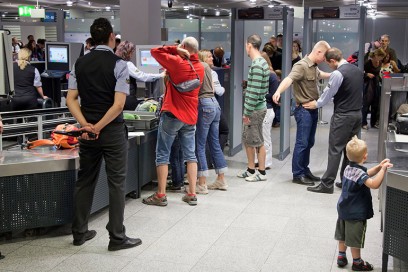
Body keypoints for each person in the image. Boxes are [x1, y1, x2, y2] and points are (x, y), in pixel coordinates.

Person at [66, 17, 141, 251]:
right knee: (116, 183)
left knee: (85, 181)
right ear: (111, 37)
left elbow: (71, 99)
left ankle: (79, 232)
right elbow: (119, 105)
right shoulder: (119, 65)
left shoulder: (79, 63)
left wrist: (86, 125)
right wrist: (98, 127)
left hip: (87, 133)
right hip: (111, 132)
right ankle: (116, 237)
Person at [142, 37, 205, 206]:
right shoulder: (200, 67)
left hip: (172, 114)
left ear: (184, 47)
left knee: (163, 154)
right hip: (191, 116)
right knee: (190, 155)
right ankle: (191, 193)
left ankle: (161, 195)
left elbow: (155, 51)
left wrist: (174, 49)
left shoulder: (177, 62)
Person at [303, 48, 364, 194]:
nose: (329, 66)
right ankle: (346, 181)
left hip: (343, 116)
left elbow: (329, 92)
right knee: (350, 151)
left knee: (335, 150)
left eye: (328, 63)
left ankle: (327, 184)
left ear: (332, 61)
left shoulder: (338, 73)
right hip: (357, 115)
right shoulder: (357, 70)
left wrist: (317, 104)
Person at [272, 41, 331, 186]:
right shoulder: (301, 65)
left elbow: (320, 74)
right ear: (318, 52)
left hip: (312, 109)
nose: (325, 60)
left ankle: (305, 170)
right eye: (324, 56)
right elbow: (289, 79)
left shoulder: (313, 66)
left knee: (309, 142)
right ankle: (298, 174)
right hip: (303, 110)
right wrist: (278, 91)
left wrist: (335, 74)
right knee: (302, 143)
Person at [334, 136, 392, 271]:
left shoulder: (349, 168)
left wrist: (378, 167)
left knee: (342, 234)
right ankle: (357, 262)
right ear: (365, 157)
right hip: (355, 213)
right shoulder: (359, 172)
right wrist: (383, 170)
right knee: (355, 238)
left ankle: (341, 257)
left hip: (344, 209)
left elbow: (365, 174)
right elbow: (374, 184)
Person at [194, 50, 228, 194]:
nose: (211, 58)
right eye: (208, 56)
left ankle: (202, 183)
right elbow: (216, 90)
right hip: (215, 105)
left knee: (200, 145)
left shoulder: (198, 67)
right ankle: (221, 179)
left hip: (204, 104)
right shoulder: (209, 70)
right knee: (214, 143)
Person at [237, 34, 270, 182]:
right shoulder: (261, 62)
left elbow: (255, 92)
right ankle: (251, 169)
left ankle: (261, 172)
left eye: (246, 45)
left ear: (249, 45)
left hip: (255, 109)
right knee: (249, 140)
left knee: (257, 141)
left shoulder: (257, 64)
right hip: (256, 108)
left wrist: (247, 112)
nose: (246, 48)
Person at [115, 40, 165, 110]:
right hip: (128, 99)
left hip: (118, 98)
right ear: (128, 52)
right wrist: (160, 75)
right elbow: (142, 76)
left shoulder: (116, 62)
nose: (132, 54)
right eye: (132, 52)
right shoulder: (127, 64)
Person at [261, 53, 279, 170]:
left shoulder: (271, 76)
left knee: (265, 137)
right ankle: (260, 161)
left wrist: (260, 94)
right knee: (259, 138)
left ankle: (266, 162)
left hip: (267, 109)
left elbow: (273, 95)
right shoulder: (262, 74)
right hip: (261, 109)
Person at [362, 48, 386, 130]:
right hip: (368, 83)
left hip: (376, 83)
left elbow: (378, 73)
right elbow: (360, 71)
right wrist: (367, 74)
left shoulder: (380, 62)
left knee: (375, 104)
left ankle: (373, 122)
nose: (381, 59)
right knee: (366, 103)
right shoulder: (368, 62)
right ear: (376, 55)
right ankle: (364, 122)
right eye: (380, 57)